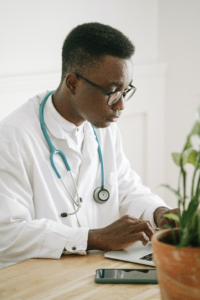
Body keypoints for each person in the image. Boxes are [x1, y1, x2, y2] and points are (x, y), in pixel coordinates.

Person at [0, 22, 177, 269]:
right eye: (113, 92)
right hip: (43, 279)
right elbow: (6, 234)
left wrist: (159, 212)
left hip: (95, 270)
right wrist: (93, 238)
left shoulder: (102, 126)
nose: (121, 105)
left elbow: (124, 187)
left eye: (126, 91)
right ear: (72, 83)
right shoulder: (12, 137)